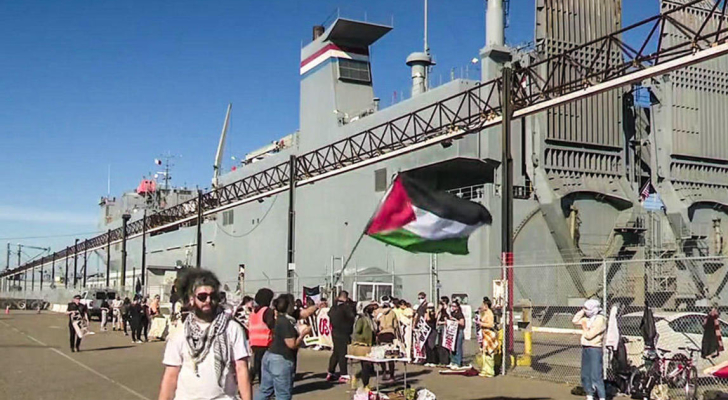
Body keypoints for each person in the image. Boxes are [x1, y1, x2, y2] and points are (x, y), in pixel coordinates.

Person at [158, 268, 252, 400]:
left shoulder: (232, 328)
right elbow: (170, 375)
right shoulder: (180, 333)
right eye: (202, 297)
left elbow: (241, 369)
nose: (208, 300)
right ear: (191, 299)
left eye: (212, 296)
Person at [254, 294, 312, 400]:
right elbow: (292, 344)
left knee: (265, 391)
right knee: (283, 394)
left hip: (269, 355)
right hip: (281, 359)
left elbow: (304, 313)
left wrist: (316, 306)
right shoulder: (285, 322)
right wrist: (303, 334)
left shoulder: (278, 318)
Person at [572, 299, 607, 400]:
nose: (587, 311)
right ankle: (589, 394)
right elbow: (574, 320)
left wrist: (585, 327)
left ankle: (601, 397)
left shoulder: (600, 320)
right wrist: (582, 311)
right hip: (585, 348)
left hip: (595, 348)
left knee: (596, 375)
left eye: (588, 309)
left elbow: (589, 335)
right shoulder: (587, 318)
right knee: (585, 374)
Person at [327, 290, 356, 383]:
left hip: (335, 331)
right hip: (343, 332)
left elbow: (329, 314)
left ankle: (330, 372)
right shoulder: (345, 307)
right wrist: (351, 306)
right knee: (343, 353)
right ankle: (343, 374)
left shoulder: (334, 307)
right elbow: (352, 316)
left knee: (336, 352)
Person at [249, 288, 275, 384]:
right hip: (265, 343)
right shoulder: (267, 311)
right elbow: (272, 325)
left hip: (254, 343)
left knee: (258, 365)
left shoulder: (254, 312)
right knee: (265, 369)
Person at [352, 302, 378, 390]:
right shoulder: (361, 319)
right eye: (371, 308)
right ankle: (365, 384)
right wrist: (363, 338)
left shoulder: (370, 318)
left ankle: (357, 377)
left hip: (370, 344)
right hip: (363, 345)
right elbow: (357, 332)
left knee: (367, 366)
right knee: (366, 365)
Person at [375, 296, 399, 382]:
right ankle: (392, 375)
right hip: (390, 334)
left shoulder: (378, 312)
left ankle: (384, 372)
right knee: (390, 355)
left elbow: (375, 324)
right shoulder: (392, 313)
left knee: (382, 354)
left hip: (381, 334)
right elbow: (396, 325)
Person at [478, 297, 498, 377]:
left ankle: (490, 371)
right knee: (484, 352)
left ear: (486, 305)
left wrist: (481, 324)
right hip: (484, 333)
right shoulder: (485, 313)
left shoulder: (489, 313)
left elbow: (491, 324)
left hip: (489, 333)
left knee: (489, 352)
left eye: (483, 304)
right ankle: (485, 369)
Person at [449, 301, 466, 368]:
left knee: (458, 347)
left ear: (457, 307)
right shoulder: (452, 313)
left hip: (459, 331)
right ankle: (453, 361)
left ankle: (458, 362)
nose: (453, 308)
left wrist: (455, 321)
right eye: (452, 306)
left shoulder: (460, 314)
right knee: (452, 347)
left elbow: (462, 323)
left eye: (454, 306)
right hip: (453, 332)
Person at [435, 297, 451, 366]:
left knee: (445, 344)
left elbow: (449, 319)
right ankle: (441, 360)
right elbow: (436, 317)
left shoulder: (448, 309)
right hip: (439, 328)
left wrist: (446, 308)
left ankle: (445, 360)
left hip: (445, 328)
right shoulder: (440, 311)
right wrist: (438, 310)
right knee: (440, 344)